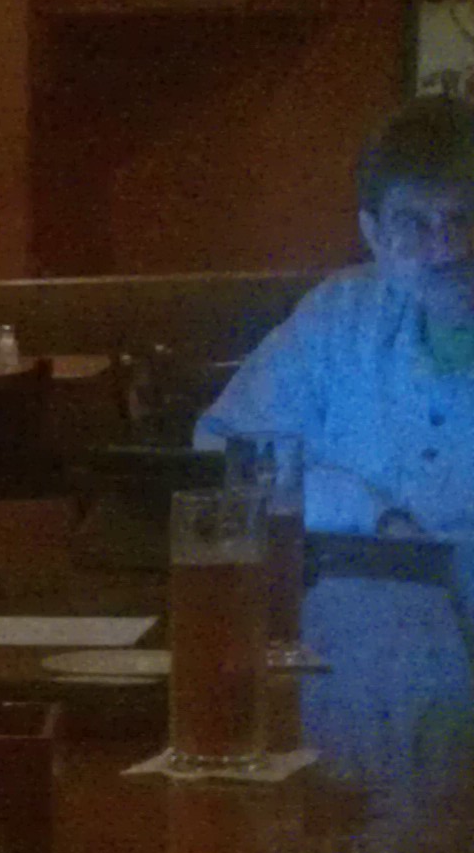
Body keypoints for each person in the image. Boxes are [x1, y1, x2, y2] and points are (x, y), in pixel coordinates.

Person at [197, 95, 474, 534]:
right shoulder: (339, 315)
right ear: (374, 235)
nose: (448, 249)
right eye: (412, 223)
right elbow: (223, 449)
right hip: (332, 575)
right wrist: (369, 514)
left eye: (465, 217)